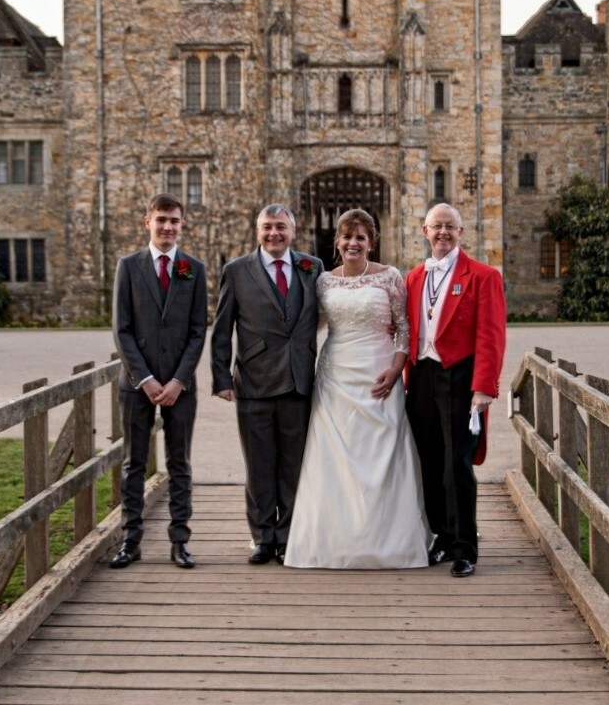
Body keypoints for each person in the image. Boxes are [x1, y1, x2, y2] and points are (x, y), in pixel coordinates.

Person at [285, 208, 432, 569]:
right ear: (337, 242)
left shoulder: (389, 277)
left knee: (381, 453)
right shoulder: (324, 282)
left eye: (361, 238)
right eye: (348, 237)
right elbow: (309, 325)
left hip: (379, 375)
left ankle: (389, 540)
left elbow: (403, 327)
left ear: (371, 243)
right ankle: (335, 539)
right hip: (336, 377)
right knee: (335, 460)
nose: (353, 243)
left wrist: (397, 369)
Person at [211, 203, 323, 564]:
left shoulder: (312, 267)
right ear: (257, 231)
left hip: (298, 381)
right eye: (267, 227)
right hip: (254, 382)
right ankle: (262, 536)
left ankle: (288, 535)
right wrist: (220, 377)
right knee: (259, 464)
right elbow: (222, 329)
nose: (274, 234)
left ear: (293, 232)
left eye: (281, 227)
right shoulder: (237, 270)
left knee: (293, 464)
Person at [405, 202, 506, 578]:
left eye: (450, 226)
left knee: (456, 466)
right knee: (429, 463)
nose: (443, 232)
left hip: (461, 379)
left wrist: (483, 389)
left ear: (460, 232)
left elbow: (491, 336)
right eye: (437, 226)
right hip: (422, 378)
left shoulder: (482, 276)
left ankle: (465, 547)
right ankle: (443, 538)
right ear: (425, 231)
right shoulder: (414, 276)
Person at [110, 193, 207, 570]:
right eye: (161, 219)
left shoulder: (191, 268)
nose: (168, 227)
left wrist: (180, 379)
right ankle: (130, 541)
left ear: (182, 224)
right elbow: (122, 329)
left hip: (180, 385)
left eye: (174, 221)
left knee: (179, 464)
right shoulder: (129, 267)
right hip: (137, 382)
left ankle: (179, 542)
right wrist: (145, 378)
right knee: (134, 463)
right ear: (147, 221)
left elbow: (198, 330)